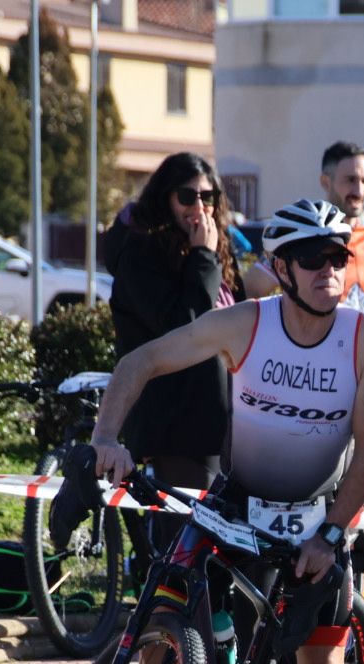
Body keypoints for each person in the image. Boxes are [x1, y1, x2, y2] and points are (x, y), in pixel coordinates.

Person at [89, 198, 364, 664]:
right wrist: (106, 439)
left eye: (337, 256)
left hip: (316, 518)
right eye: (311, 259)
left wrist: (334, 534)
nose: (327, 270)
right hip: (236, 505)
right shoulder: (244, 325)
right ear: (280, 267)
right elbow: (138, 364)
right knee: (162, 619)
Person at [102, 152, 246, 496]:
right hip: (177, 427)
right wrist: (203, 257)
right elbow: (185, 327)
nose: (199, 207)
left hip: (226, 424)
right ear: (165, 198)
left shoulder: (215, 249)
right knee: (187, 542)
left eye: (207, 197)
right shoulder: (142, 253)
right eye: (187, 196)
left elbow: (238, 317)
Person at [244, 142, 364, 331]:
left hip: (362, 353)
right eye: (350, 180)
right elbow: (251, 286)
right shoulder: (304, 234)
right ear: (326, 182)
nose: (359, 191)